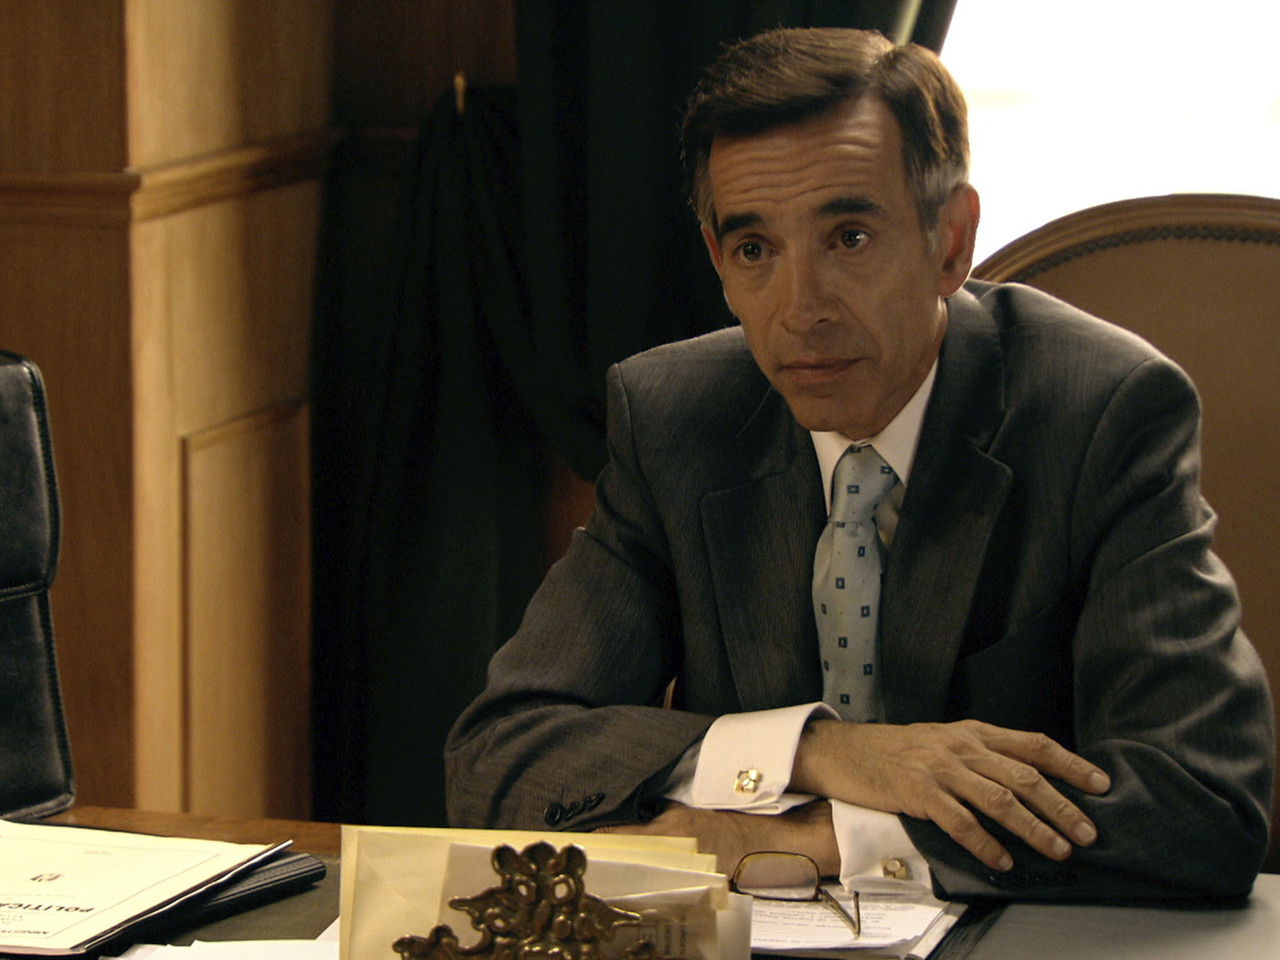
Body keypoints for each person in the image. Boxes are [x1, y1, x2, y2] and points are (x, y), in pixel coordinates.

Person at [444, 27, 1274, 901]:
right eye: (756, 251)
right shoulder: (676, 418)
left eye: (848, 237)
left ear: (950, 242)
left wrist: (823, 839)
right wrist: (821, 751)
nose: (800, 309)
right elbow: (499, 757)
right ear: (718, 262)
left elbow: (1201, 804)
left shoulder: (1101, 411)